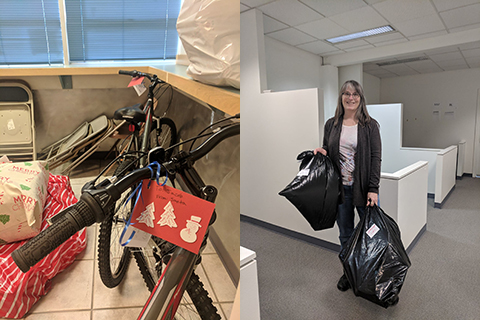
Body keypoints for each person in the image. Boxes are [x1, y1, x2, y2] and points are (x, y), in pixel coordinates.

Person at [314, 80, 382, 292]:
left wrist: (373, 188)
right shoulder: (331, 124)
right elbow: (328, 147)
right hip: (340, 190)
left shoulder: (370, 125)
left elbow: (375, 157)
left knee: (371, 234)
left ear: (361, 98)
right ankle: (349, 273)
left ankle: (371, 274)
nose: (350, 98)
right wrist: (323, 151)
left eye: (355, 94)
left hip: (362, 190)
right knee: (346, 234)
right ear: (341, 97)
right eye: (346, 93)